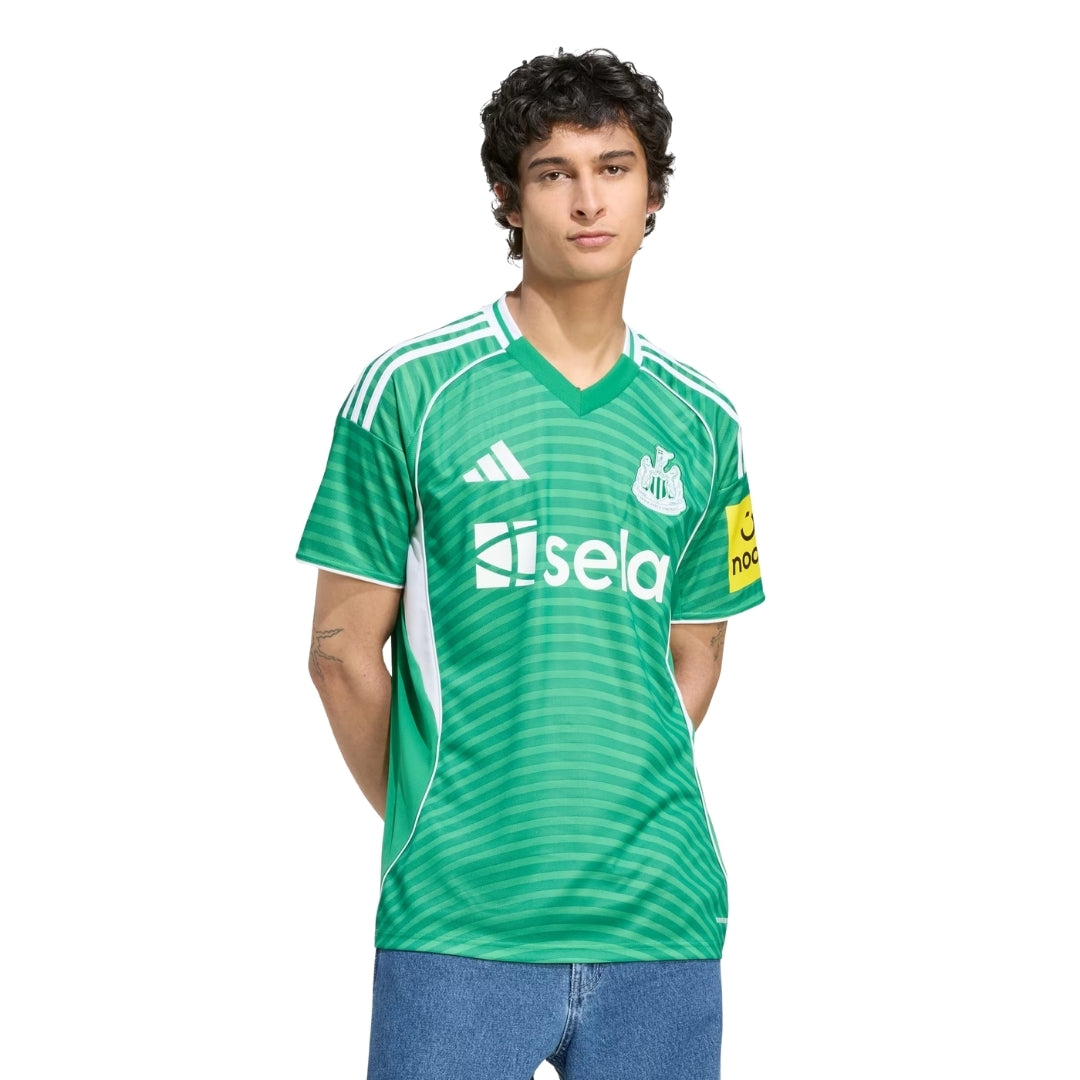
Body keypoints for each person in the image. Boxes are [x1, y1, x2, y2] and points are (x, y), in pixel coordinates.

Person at [297, 47, 765, 1080]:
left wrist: (603, 805)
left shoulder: (706, 421)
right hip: (459, 924)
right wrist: (448, 816)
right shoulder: (410, 390)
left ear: (653, 193)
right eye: (555, 173)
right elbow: (339, 653)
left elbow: (696, 649)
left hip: (664, 919)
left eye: (615, 168)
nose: (588, 200)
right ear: (509, 200)